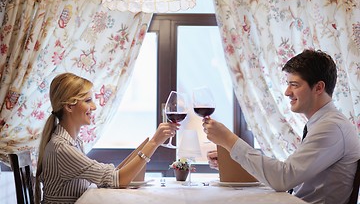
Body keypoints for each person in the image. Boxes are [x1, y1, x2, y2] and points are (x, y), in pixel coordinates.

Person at [203, 49, 360, 204]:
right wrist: (233, 162)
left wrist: (229, 140)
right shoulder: (322, 123)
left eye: (294, 85)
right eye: (288, 84)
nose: (287, 92)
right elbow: (287, 175)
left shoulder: (331, 127)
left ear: (319, 87)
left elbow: (283, 178)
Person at [35, 73, 179, 204]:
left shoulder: (72, 142)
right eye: (88, 100)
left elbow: (110, 176)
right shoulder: (62, 148)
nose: (94, 106)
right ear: (69, 107)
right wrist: (153, 143)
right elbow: (118, 180)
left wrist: (146, 148)